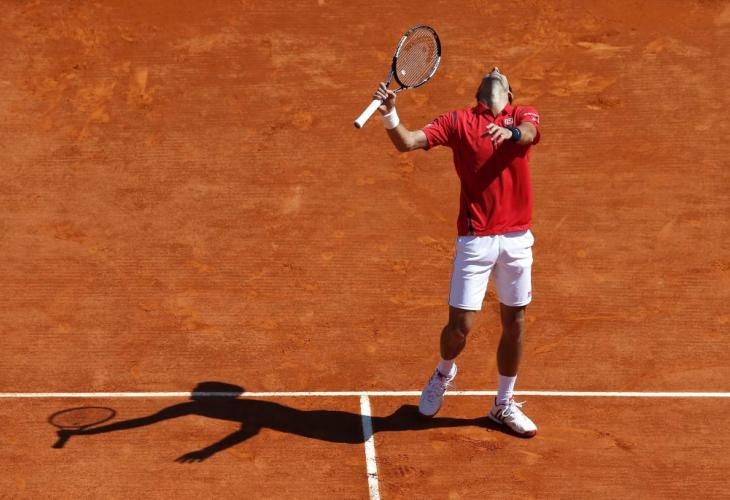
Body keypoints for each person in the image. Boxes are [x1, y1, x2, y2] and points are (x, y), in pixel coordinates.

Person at [373, 67, 541, 437]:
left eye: (501, 74)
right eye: (489, 72)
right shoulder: (457, 121)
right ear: (478, 92)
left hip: (516, 239)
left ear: (510, 94)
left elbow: (528, 133)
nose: (494, 69)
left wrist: (511, 133)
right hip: (475, 239)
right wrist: (390, 114)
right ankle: (443, 372)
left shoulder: (522, 115)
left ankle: (503, 404)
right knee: (459, 328)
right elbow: (407, 142)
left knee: (515, 322)